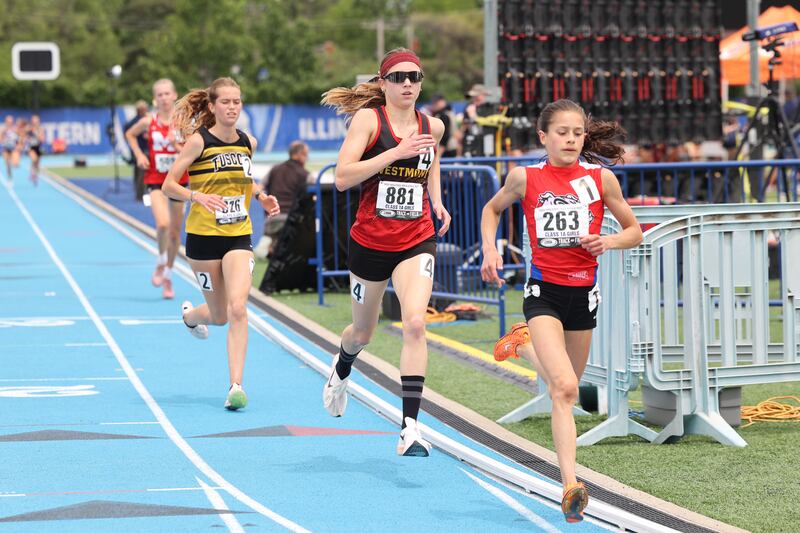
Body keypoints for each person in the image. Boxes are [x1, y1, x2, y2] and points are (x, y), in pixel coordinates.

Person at [480, 99, 642, 523]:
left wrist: (607, 242)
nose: (570, 139)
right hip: (544, 294)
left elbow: (634, 231)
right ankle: (570, 484)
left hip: (583, 295)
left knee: (562, 389)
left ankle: (520, 344)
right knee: (567, 388)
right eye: (562, 133)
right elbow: (491, 210)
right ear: (543, 137)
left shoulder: (600, 178)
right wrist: (489, 252)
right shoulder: (526, 177)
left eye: (577, 133)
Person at [320, 48, 451, 457]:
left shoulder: (435, 125)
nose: (407, 83)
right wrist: (394, 153)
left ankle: (409, 427)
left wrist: (437, 200)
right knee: (363, 333)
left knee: (414, 323)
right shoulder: (368, 121)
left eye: (414, 76)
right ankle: (343, 366)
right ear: (383, 83)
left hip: (416, 237)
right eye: (398, 77)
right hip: (371, 243)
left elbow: (431, 163)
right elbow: (342, 178)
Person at [163, 77, 279, 411]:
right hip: (202, 238)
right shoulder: (198, 142)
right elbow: (170, 185)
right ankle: (190, 317)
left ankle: (236, 386)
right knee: (218, 315)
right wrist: (196, 196)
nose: (232, 107)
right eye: (225, 102)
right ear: (212, 106)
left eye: (237, 102)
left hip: (238, 234)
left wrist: (261, 196)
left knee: (238, 308)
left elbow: (246, 178)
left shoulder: (248, 142)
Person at [125, 80, 188, 299]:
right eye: (159, 94)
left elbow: (194, 150)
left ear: (174, 95)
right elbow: (130, 135)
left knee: (174, 233)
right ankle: (161, 261)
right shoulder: (148, 121)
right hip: (155, 179)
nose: (163, 97)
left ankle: (168, 275)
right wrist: (140, 155)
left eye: (167, 93)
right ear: (155, 98)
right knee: (162, 224)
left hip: (179, 180)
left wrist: (177, 144)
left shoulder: (184, 122)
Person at [253, 140, 310, 259]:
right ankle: (272, 248)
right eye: (305, 155)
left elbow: (259, 188)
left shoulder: (274, 169)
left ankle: (268, 247)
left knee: (277, 245)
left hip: (271, 220)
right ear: (299, 155)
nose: (307, 158)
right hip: (292, 222)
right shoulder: (305, 175)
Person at [124, 100, 151, 201]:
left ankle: (138, 193)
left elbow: (126, 132)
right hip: (143, 150)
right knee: (142, 173)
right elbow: (130, 134)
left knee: (137, 171)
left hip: (135, 150)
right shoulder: (142, 121)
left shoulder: (132, 121)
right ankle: (140, 196)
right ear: (141, 109)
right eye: (145, 108)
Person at [24, 115, 45, 186]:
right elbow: (24, 134)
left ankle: (35, 175)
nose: (35, 123)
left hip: (38, 148)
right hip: (31, 148)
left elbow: (42, 140)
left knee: (37, 164)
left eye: (36, 121)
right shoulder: (29, 128)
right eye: (34, 121)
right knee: (34, 159)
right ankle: (32, 173)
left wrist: (38, 135)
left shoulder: (40, 129)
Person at [1, 115, 21, 183]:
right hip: (6, 148)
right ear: (6, 122)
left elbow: (19, 139)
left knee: (15, 164)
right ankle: (10, 177)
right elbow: (1, 140)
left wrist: (18, 145)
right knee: (8, 164)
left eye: (11, 122)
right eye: (8, 122)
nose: (9, 123)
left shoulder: (16, 129)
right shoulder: (3, 129)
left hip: (13, 148)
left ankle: (15, 161)